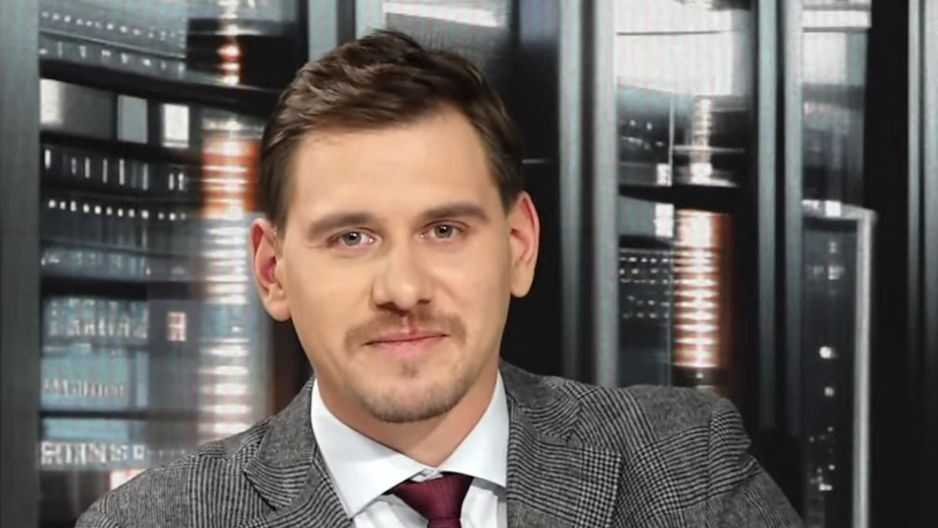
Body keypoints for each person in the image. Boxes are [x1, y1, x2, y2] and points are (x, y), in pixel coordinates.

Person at [77, 30, 801, 528]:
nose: (403, 289)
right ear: (273, 271)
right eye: (352, 238)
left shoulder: (687, 469)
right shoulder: (151, 522)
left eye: (444, 230)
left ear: (519, 247)